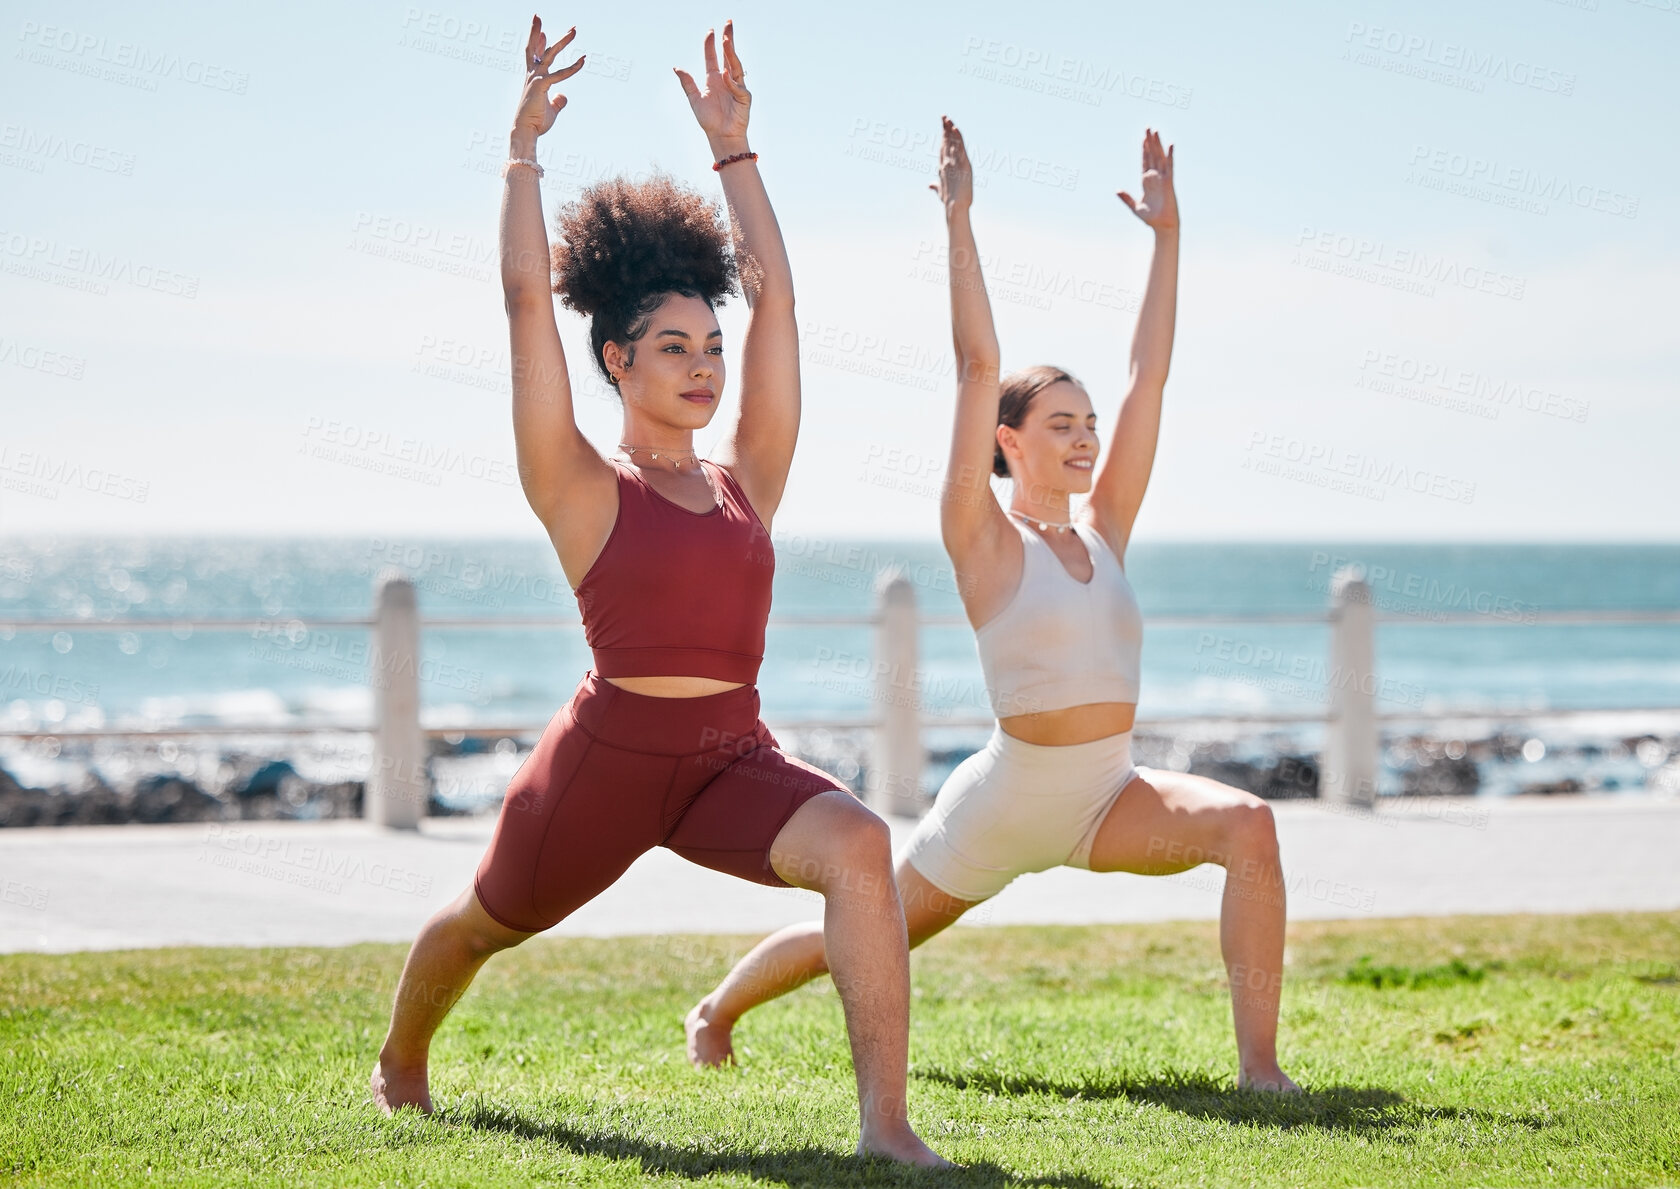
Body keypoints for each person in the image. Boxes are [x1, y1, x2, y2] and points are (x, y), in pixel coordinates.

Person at [370, 17, 951, 1167]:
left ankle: (885, 1126)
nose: (702, 364)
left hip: (732, 757)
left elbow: (778, 302)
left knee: (861, 845)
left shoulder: (750, 481)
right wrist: (522, 154)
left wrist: (737, 156)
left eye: (710, 347)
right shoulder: (582, 485)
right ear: (617, 363)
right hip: (607, 761)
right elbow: (525, 305)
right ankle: (400, 1058)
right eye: (673, 345)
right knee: (489, 920)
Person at [687, 117, 1299, 1094]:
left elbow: (1151, 378)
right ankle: (717, 1009)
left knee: (1250, 826)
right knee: (869, 928)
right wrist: (958, 222)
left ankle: (1260, 1071)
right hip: (1003, 808)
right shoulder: (982, 539)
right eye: (1062, 424)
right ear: (1008, 441)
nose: (1087, 438)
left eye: (1089, 425)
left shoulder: (1105, 529)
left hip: (1109, 797)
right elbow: (977, 366)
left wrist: (1167, 239)